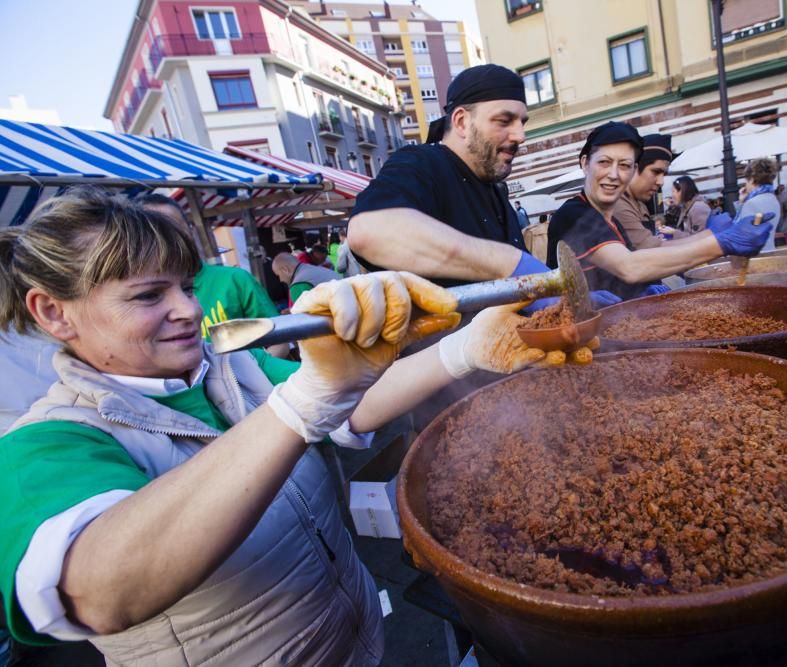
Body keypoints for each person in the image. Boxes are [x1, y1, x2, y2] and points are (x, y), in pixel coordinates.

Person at [0, 189, 576, 665]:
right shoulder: (44, 443)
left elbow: (347, 408)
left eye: (187, 286)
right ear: (54, 312)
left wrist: (464, 351)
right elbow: (103, 591)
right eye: (150, 296)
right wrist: (300, 403)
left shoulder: (231, 366)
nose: (188, 311)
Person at [345, 64, 618, 309]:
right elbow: (369, 231)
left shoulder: (496, 190)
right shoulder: (421, 162)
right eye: (504, 121)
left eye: (522, 122)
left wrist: (567, 298)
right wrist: (509, 263)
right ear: (462, 122)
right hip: (442, 360)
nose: (520, 136)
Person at [546, 121, 774, 301]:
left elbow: (634, 262)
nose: (614, 175)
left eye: (624, 165)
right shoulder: (573, 214)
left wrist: (710, 235)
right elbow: (630, 267)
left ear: (633, 169)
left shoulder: (611, 218)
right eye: (604, 162)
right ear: (585, 163)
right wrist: (720, 243)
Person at [135, 193, 290, 357]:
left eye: (174, 229)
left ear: (190, 232)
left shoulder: (234, 280)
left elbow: (279, 341)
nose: (166, 240)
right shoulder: (137, 300)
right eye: (153, 233)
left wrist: (251, 377)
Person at [612, 134, 674, 249]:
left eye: (664, 174)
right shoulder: (617, 204)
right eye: (656, 172)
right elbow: (650, 248)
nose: (661, 182)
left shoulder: (640, 204)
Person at [735, 158, 782, 252]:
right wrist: (742, 202)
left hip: (754, 255)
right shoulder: (772, 198)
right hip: (769, 250)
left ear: (752, 180)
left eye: (746, 181)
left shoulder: (752, 203)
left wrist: (743, 204)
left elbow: (741, 232)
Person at [272, 251, 343, 306]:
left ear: (285, 270)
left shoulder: (298, 285)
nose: (280, 280)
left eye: (278, 275)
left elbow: (306, 319)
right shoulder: (312, 269)